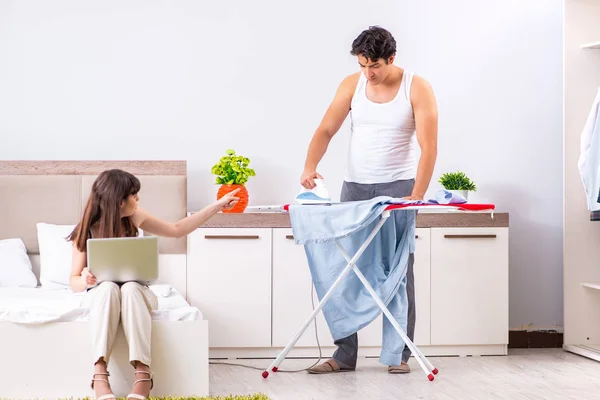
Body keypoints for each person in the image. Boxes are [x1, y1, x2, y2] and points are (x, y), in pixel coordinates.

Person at [301, 26, 438, 374]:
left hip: (399, 188)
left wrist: (417, 194)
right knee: (346, 271)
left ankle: (399, 355)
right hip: (355, 190)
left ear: (391, 59)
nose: (368, 73)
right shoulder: (352, 84)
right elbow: (325, 129)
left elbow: (428, 147)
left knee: (398, 273)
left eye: (374, 65)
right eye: (363, 65)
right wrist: (309, 165)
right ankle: (344, 355)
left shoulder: (416, 87)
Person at [68, 169, 240, 400]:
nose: (138, 200)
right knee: (109, 287)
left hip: (138, 291)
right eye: (134, 195)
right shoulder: (86, 229)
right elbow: (74, 281)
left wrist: (216, 206)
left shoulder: (136, 217)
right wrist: (86, 278)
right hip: (103, 295)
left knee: (128, 288)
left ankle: (143, 373)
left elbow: (178, 230)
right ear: (119, 201)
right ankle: (99, 371)